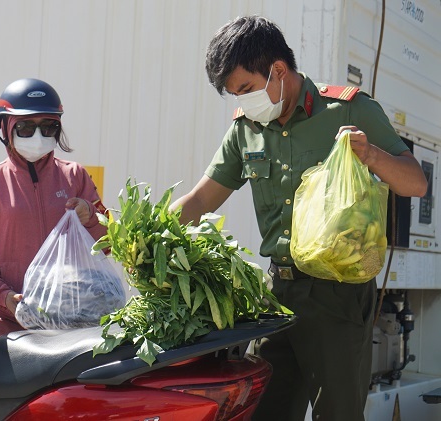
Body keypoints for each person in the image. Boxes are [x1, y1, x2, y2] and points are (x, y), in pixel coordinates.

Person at [170, 16, 427, 421]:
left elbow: (416, 183)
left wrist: (373, 156)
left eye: (246, 89)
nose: (242, 101)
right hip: (277, 294)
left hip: (338, 294)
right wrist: (148, 229)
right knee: (263, 410)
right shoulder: (246, 129)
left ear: (278, 71)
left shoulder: (348, 108)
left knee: (337, 415)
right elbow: (202, 198)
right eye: (234, 94)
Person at [0, 78, 107, 339]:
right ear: (5, 128)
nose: (38, 137)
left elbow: (107, 245)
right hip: (8, 324)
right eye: (26, 127)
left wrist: (90, 218)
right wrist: (3, 296)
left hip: (71, 323)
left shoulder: (75, 176)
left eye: (48, 127)